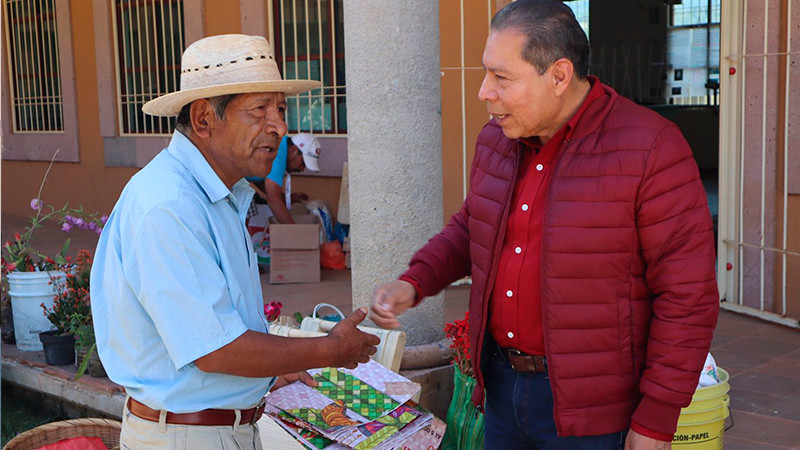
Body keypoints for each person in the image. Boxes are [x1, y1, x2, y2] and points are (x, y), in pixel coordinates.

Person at [370, 1, 719, 449]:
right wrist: (415, 281)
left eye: (502, 77)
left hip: (595, 409)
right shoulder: (497, 140)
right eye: (486, 73)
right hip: (502, 388)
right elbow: (472, 225)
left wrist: (655, 419)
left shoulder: (649, 148)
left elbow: (687, 295)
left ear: (558, 75)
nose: (484, 92)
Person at [91, 34, 379, 450]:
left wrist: (267, 373)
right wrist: (328, 350)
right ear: (205, 118)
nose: (280, 126)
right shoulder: (168, 204)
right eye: (259, 110)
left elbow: (217, 332)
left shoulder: (221, 195)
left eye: (280, 108)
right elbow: (215, 350)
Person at [247, 133, 321, 224]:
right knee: (240, 220)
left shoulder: (278, 145)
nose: (301, 169)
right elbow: (273, 200)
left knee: (244, 209)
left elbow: (262, 182)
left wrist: (285, 198)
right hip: (228, 178)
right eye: (303, 163)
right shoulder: (278, 152)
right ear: (293, 150)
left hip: (233, 178)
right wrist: (298, 233)